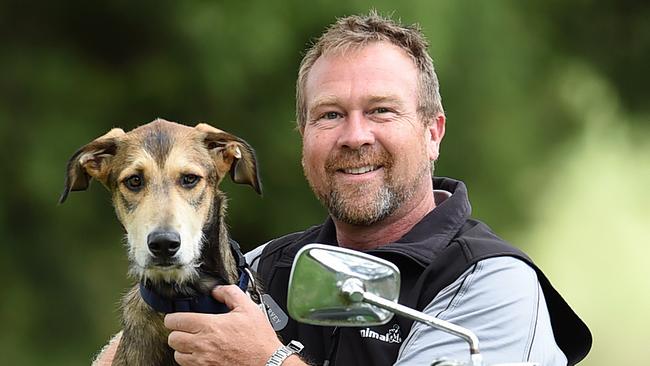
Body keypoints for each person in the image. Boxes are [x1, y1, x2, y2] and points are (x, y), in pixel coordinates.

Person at [96, 11, 591, 366]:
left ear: (433, 132)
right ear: (304, 137)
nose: (355, 136)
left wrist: (267, 361)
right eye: (330, 115)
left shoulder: (491, 285)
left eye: (381, 110)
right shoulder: (262, 268)